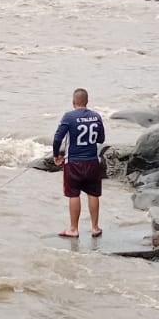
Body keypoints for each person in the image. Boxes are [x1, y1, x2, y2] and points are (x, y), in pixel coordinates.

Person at [53, 88, 106, 238]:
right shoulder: (96, 116)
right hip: (92, 161)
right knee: (93, 193)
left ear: (73, 102)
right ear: (87, 102)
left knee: (74, 194)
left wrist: (56, 155)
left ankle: (74, 229)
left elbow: (57, 138)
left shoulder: (68, 117)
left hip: (74, 163)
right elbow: (101, 139)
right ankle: (95, 227)